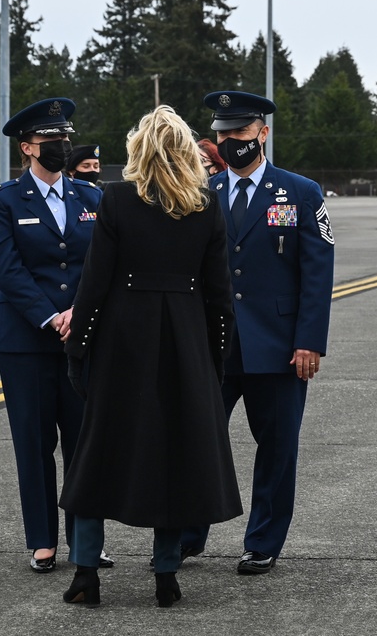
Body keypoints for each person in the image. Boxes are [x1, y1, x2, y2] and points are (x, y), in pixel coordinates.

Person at [59, 105, 242, 607]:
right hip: (184, 344)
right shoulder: (205, 205)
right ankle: (165, 576)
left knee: (99, 456)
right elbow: (219, 295)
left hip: (122, 343)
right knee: (172, 456)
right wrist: (214, 356)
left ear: (138, 150)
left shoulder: (116, 199)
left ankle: (86, 574)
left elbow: (93, 286)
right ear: (185, 152)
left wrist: (80, 348)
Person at [180, 90, 335, 575]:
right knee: (196, 441)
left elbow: (317, 272)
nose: (231, 142)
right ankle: (185, 536)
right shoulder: (201, 194)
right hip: (213, 345)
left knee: (277, 448)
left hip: (279, 346)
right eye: (223, 134)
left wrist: (309, 340)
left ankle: (263, 541)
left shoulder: (300, 192)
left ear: (262, 133)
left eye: (240, 133)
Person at [0, 97, 105, 573]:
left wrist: (80, 311)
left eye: (64, 139)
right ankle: (41, 539)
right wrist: (51, 316)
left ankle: (85, 539)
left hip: (83, 336)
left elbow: (102, 264)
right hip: (25, 341)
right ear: (28, 147)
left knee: (83, 442)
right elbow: (6, 268)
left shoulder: (92, 198)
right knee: (34, 443)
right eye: (50, 141)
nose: (60, 146)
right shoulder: (4, 200)